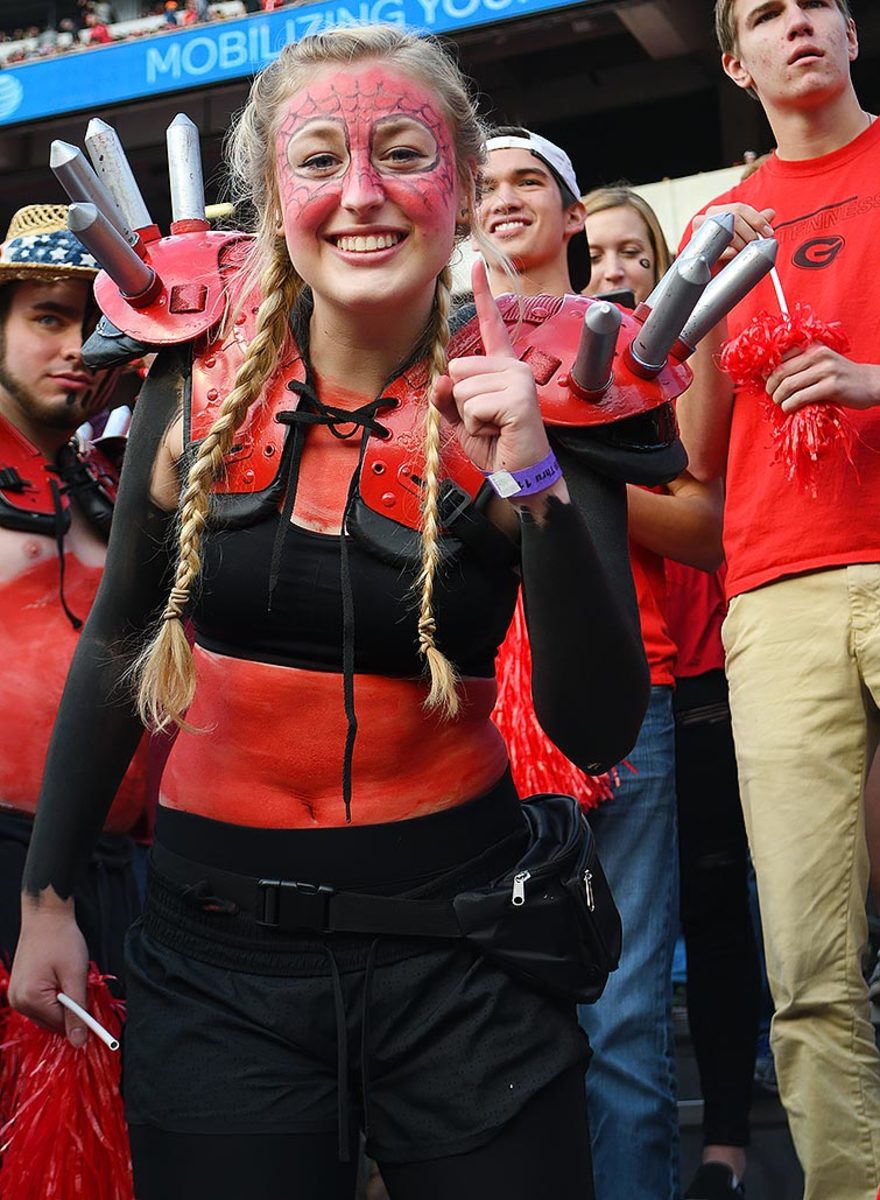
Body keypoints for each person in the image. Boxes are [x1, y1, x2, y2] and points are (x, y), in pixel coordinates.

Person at [9, 27, 653, 1200]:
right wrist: (48, 901)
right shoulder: (190, 378)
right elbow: (120, 638)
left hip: (467, 958)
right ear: (272, 200)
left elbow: (598, 728)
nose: (361, 195)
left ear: (456, 185)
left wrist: (535, 484)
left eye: (401, 152)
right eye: (318, 160)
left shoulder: (549, 389)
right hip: (216, 965)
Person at [479, 139, 722, 1200]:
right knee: (487, 1019)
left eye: (527, 181)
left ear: (573, 218)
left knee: (620, 1019)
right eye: (481, 186)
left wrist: (566, 466)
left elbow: (708, 529)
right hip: (476, 710)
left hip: (628, 710)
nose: (503, 201)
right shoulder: (428, 342)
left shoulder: (631, 346)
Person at [678, 3, 880, 1197]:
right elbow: (700, 452)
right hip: (775, 592)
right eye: (764, 13)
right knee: (804, 961)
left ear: (851, 35)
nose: (794, 22)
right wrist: (700, 291)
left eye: (815, 3)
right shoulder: (714, 221)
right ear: (734, 62)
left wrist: (869, 380)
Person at [585, 184, 762, 1200]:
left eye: (632, 253)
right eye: (598, 253)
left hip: (707, 659)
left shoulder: (693, 350)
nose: (614, 268)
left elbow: (700, 498)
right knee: (624, 944)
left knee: (711, 898)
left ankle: (727, 1140)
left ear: (661, 263)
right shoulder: (580, 363)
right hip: (639, 664)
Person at [0, 204, 147, 986]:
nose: (76, 349)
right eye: (48, 318)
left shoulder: (112, 477)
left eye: (96, 326)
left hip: (117, 873)